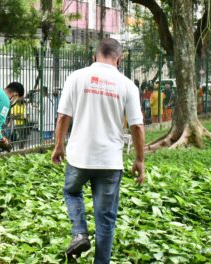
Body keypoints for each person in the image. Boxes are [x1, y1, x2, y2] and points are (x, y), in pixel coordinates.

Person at [51, 38, 145, 263]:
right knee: (105, 221)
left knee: (71, 192)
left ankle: (80, 233)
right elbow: (137, 125)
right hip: (110, 162)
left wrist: (58, 146)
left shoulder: (76, 77)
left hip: (79, 157)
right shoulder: (127, 85)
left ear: (94, 56)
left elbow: (64, 116)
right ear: (119, 59)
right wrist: (140, 160)